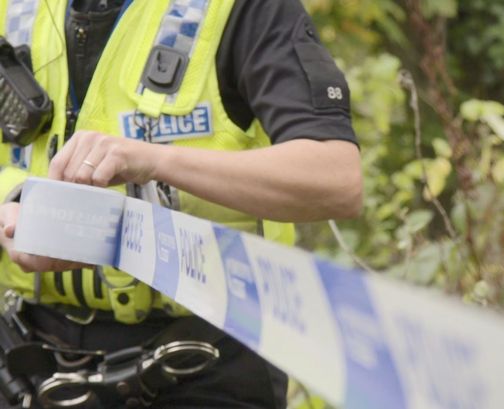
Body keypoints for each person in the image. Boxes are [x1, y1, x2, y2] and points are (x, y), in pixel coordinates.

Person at [0, 0, 362, 408]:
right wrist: (10, 207)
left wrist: (155, 161)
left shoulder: (243, 9)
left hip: (202, 364)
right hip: (30, 362)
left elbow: (336, 180)